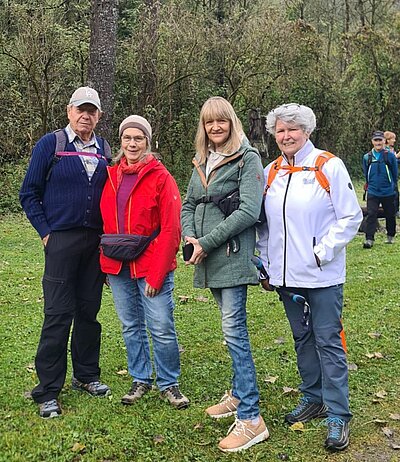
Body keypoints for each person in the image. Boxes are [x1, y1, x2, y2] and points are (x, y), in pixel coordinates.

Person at [256, 103, 362, 451]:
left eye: (293, 130)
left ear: (307, 131)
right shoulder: (271, 171)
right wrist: (267, 263)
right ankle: (313, 398)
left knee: (328, 341)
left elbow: (350, 217)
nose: (286, 136)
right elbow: (266, 226)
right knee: (302, 339)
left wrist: (322, 251)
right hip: (286, 278)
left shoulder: (327, 165)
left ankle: (338, 414)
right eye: (280, 131)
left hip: (322, 276)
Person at [181, 96, 268, 452]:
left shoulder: (248, 159)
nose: (215, 128)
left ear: (232, 123)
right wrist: (189, 236)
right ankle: (236, 393)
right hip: (207, 255)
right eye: (208, 122)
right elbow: (188, 204)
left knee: (235, 331)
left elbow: (249, 210)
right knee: (227, 326)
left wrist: (206, 241)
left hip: (230, 255)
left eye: (221, 121)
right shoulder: (202, 160)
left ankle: (251, 417)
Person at [19, 86, 112, 418]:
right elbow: (29, 193)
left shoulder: (104, 149)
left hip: (94, 244)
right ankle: (47, 390)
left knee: (88, 312)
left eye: (92, 110)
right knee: (58, 314)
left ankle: (86, 376)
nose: (86, 115)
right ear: (69, 111)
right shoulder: (52, 144)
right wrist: (46, 234)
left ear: (99, 116)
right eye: (81, 109)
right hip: (61, 241)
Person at [99, 115, 189, 409]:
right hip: (118, 266)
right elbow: (104, 223)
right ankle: (140, 378)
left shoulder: (161, 177)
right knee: (130, 325)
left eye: (138, 138)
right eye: (127, 138)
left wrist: (157, 273)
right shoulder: (111, 175)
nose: (132, 143)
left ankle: (169, 383)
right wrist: (104, 264)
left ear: (147, 142)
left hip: (151, 265)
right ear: (121, 142)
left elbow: (171, 230)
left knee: (161, 325)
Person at [362, 130, 398, 248]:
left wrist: (392, 186)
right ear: (372, 141)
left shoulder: (390, 156)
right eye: (376, 140)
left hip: (388, 191)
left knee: (390, 214)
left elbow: (394, 173)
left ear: (384, 141)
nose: (378, 142)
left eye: (380, 140)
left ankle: (390, 236)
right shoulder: (367, 157)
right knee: (371, 214)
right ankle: (369, 239)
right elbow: (366, 172)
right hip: (373, 191)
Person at [384, 130, 400, 217]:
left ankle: (396, 210)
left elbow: (395, 161)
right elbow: (390, 160)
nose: (394, 140)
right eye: (393, 139)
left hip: (394, 175)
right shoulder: (384, 150)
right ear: (387, 140)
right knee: (393, 193)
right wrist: (397, 156)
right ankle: (393, 211)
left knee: (396, 193)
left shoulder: (392, 149)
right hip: (388, 175)